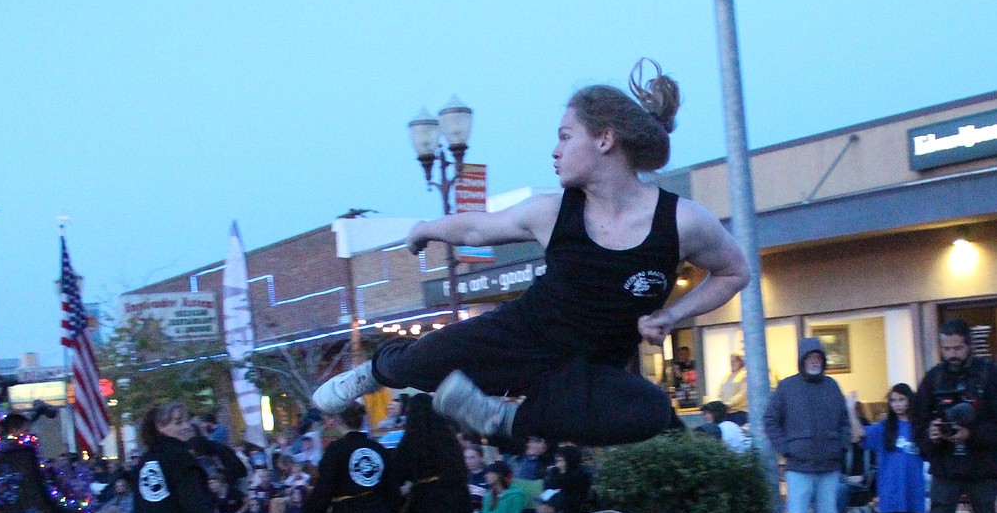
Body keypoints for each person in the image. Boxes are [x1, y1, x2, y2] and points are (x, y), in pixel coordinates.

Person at [312, 59, 750, 448]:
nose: (554, 151)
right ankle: (373, 372)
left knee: (651, 412)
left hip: (586, 373)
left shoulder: (682, 221)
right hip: (519, 337)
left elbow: (734, 272)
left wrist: (673, 316)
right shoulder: (554, 212)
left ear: (604, 139)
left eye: (565, 137)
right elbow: (477, 227)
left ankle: (503, 419)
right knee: (425, 361)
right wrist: (425, 228)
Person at [908, 319, 997, 513]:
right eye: (946, 348)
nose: (952, 354)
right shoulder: (933, 379)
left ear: (969, 345)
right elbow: (917, 428)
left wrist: (970, 433)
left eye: (957, 347)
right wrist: (932, 435)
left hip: (982, 470)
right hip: (946, 469)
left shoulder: (989, 375)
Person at [764, 338, 854, 513]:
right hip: (799, 467)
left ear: (823, 360)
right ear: (802, 360)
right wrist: (786, 448)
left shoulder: (832, 386)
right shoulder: (786, 387)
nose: (815, 361)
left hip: (829, 466)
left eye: (818, 358)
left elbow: (845, 421)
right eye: (810, 357)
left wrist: (841, 445)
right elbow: (770, 420)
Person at [862, 384, 927, 513]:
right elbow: (859, 436)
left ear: (910, 400)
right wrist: (849, 410)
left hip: (914, 489)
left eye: (902, 400)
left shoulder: (919, 426)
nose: (898, 404)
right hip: (890, 490)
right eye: (894, 400)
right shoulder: (885, 427)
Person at [544, 444, 593, 513]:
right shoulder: (554, 473)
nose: (557, 464)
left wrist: (563, 472)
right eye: (556, 461)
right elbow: (550, 489)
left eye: (560, 460)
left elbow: (574, 495)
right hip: (555, 511)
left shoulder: (581, 475)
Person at [717, 353, 748, 421]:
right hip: (725, 412)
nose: (732, 363)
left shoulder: (744, 375)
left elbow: (742, 393)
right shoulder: (726, 377)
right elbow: (719, 392)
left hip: (739, 412)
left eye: (734, 361)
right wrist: (720, 404)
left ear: (740, 362)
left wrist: (729, 404)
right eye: (731, 361)